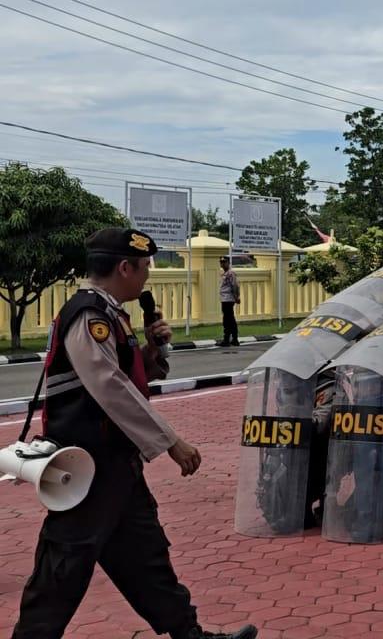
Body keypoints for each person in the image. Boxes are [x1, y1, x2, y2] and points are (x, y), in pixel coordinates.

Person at [12, 228, 256, 639]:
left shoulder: (110, 315)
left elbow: (126, 376)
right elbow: (110, 387)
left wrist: (151, 351)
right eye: (144, 268)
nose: (147, 277)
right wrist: (170, 441)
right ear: (124, 267)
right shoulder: (89, 316)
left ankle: (190, 635)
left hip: (115, 465)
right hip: (86, 469)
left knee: (147, 561)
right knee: (63, 570)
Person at [218, 256, 240, 347]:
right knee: (229, 319)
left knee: (228, 320)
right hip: (225, 299)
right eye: (221, 262)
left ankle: (228, 339)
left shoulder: (230, 273)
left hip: (228, 299)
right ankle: (233, 339)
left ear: (228, 263)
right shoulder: (224, 273)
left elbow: (234, 286)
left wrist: (236, 297)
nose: (222, 264)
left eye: (224, 262)